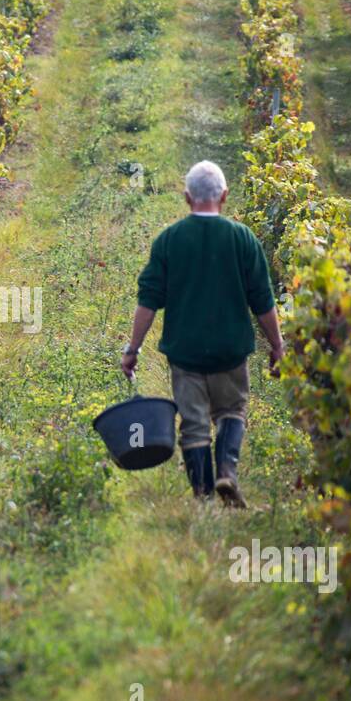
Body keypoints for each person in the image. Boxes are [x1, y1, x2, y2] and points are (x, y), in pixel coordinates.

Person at [121, 160, 284, 507]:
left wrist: (132, 349)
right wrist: (277, 345)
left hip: (186, 353)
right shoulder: (243, 239)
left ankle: (204, 498)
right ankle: (227, 470)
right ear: (224, 196)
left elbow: (148, 301)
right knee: (231, 411)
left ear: (186, 198)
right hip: (230, 350)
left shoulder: (170, 241)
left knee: (193, 425)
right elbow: (263, 301)